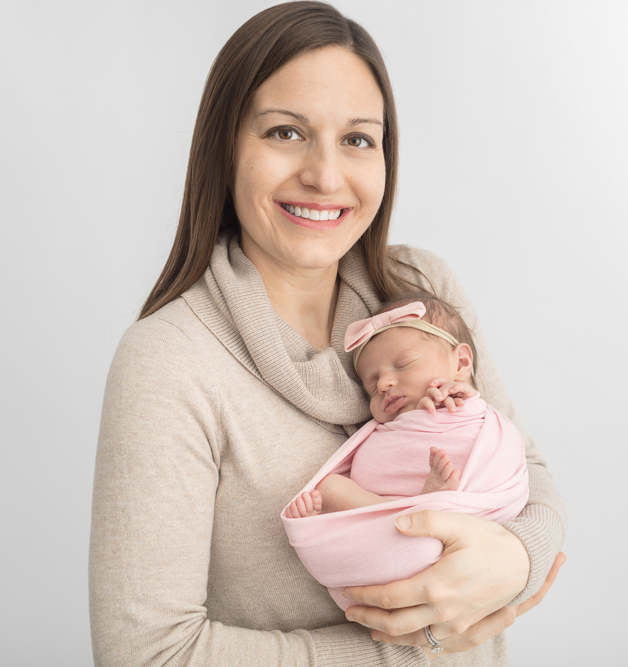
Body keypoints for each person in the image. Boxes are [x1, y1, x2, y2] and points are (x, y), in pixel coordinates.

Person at [89, 3, 568, 665]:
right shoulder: (170, 361)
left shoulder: (422, 292)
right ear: (225, 147)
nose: (325, 175)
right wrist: (416, 646)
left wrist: (515, 559)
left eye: (358, 139)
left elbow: (527, 474)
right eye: (286, 132)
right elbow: (145, 654)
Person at [283, 295, 528, 518]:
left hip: (461, 511)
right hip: (382, 511)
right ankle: (411, 511)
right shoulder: (387, 425)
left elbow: (499, 451)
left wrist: (468, 402)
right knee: (328, 487)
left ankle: (428, 508)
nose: (383, 385)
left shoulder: (463, 409)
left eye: (403, 365)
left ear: (461, 363)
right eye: (371, 387)